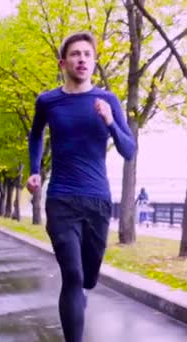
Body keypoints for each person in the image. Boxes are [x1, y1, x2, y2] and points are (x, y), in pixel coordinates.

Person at [26, 31, 136, 342]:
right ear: (63, 63)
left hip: (97, 201)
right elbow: (36, 135)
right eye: (75, 54)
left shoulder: (108, 101)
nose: (82, 59)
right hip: (61, 199)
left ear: (94, 61)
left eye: (87, 54)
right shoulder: (48, 101)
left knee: (87, 278)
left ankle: (81, 295)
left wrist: (110, 122)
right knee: (72, 276)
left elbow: (129, 151)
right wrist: (35, 170)